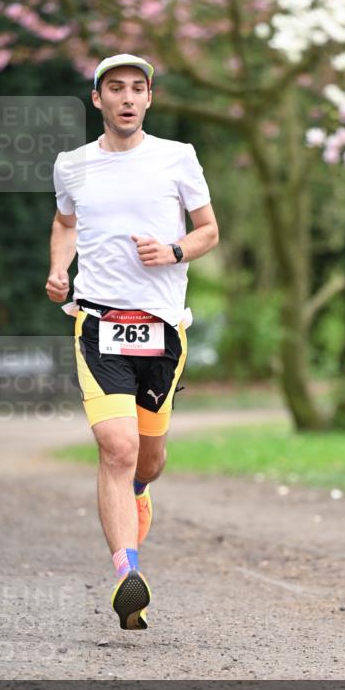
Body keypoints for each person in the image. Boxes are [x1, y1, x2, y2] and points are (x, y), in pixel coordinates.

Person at [45, 53, 219, 630]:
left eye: (136, 88)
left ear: (149, 98)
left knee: (148, 459)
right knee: (116, 448)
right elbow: (65, 223)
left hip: (162, 327)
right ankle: (128, 574)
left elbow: (209, 230)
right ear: (97, 99)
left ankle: (139, 491)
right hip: (98, 323)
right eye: (115, 88)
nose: (126, 97)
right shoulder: (72, 165)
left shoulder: (178, 157)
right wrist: (59, 269)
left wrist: (174, 251)